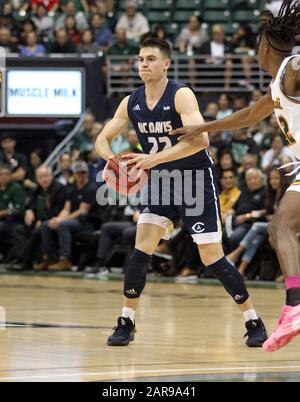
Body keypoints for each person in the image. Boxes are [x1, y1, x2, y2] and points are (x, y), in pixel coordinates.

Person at [96, 37, 267, 348]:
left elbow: (200, 140)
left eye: (149, 59)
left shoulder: (181, 95)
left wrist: (152, 159)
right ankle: (126, 321)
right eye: (140, 60)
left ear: (166, 64)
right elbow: (102, 137)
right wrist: (112, 159)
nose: (143, 64)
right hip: (161, 181)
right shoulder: (130, 102)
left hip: (194, 178)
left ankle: (252, 319)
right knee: (140, 249)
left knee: (211, 257)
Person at [171, 0, 300, 352]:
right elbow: (244, 117)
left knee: (281, 227)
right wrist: (202, 126)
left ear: (264, 46)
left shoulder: (292, 67)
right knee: (281, 229)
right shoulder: (278, 87)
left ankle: (295, 306)